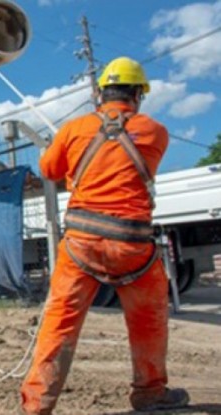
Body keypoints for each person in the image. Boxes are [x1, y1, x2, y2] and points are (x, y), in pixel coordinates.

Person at [20, 57, 189, 414]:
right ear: (138, 95)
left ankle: (37, 404)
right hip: (133, 245)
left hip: (82, 244)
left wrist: (63, 143)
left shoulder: (74, 129)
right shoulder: (157, 132)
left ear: (99, 93)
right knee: (149, 317)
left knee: (60, 320)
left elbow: (49, 170)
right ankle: (150, 392)